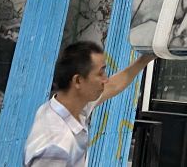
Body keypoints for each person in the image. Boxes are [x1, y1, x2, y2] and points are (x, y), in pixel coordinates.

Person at [23, 40, 154, 166]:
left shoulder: (73, 106)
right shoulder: (56, 145)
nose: (106, 79)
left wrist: (146, 58)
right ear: (78, 81)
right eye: (100, 73)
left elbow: (114, 85)